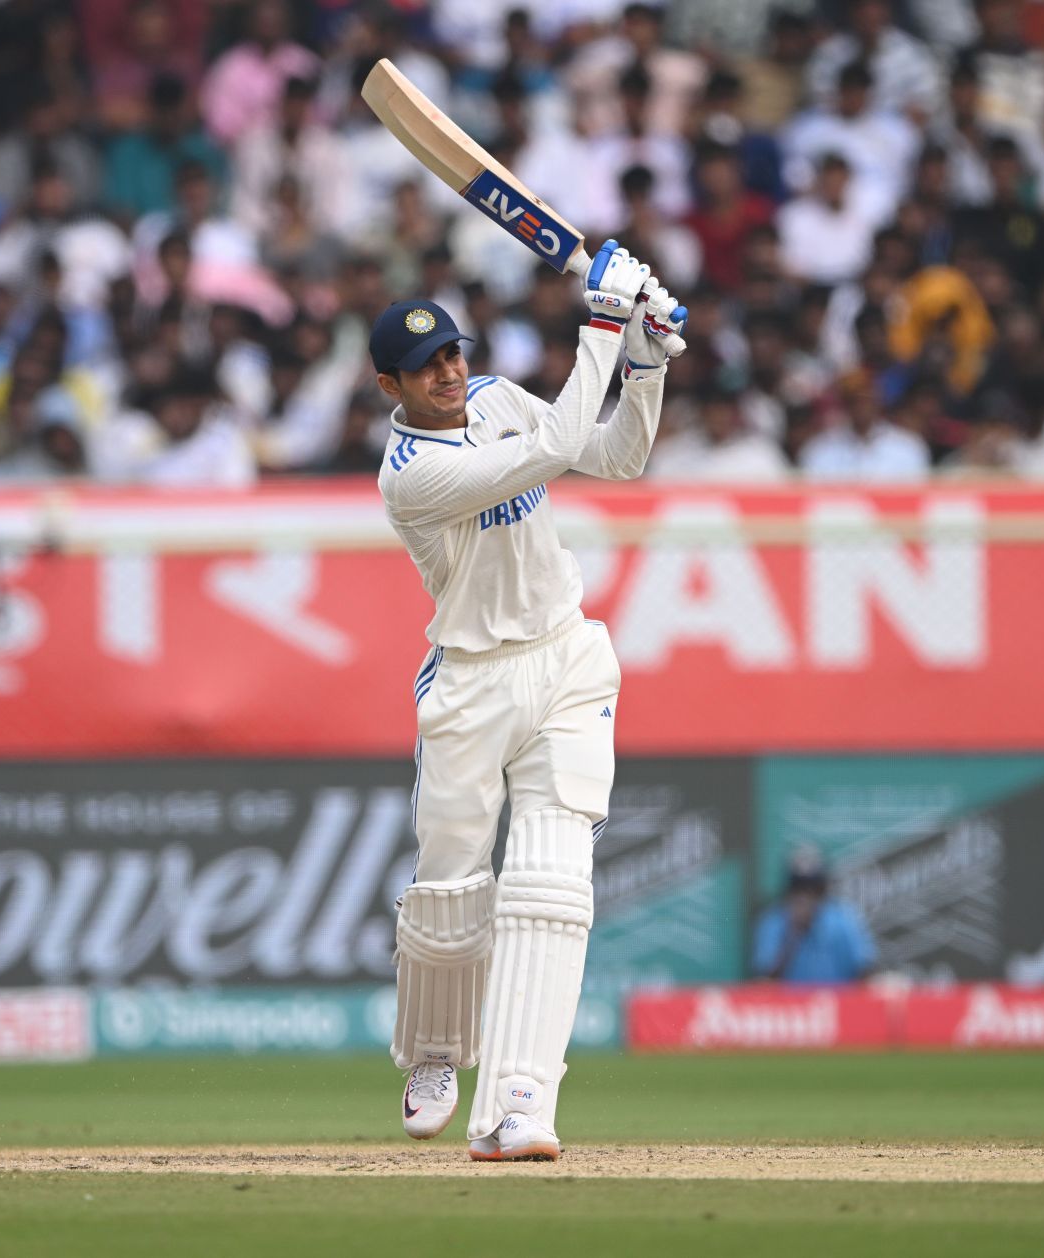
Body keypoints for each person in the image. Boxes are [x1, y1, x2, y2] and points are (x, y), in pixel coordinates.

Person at [376, 240, 685, 1162]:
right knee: (450, 893)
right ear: (390, 384)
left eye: (455, 354)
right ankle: (436, 1051)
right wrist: (601, 316)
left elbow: (618, 457)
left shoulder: (496, 400)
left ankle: (519, 1103)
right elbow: (551, 449)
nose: (450, 372)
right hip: (468, 681)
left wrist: (643, 361)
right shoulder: (410, 478)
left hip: (566, 656)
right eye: (427, 366)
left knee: (552, 882)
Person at [751, 849, 877, 983]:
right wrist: (793, 934)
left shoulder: (843, 919)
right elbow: (766, 978)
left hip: (838, 1000)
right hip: (792, 1002)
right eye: (798, 888)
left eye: (813, 889)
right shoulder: (774, 921)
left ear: (822, 891)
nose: (805, 896)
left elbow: (866, 972)